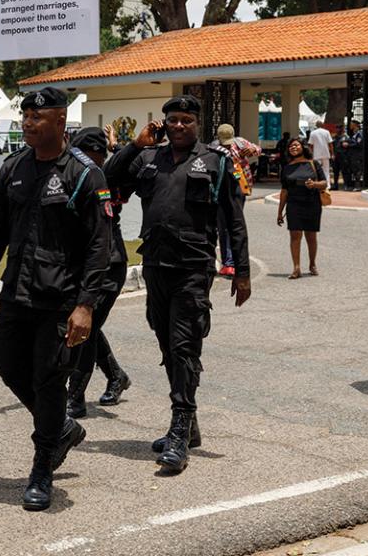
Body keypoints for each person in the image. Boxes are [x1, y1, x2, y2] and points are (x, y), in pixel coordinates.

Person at [0, 86, 112, 511]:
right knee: (3, 358)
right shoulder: (14, 168)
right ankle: (60, 427)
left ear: (60, 120)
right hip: (18, 293)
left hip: (60, 299)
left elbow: (100, 246)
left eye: (37, 116)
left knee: (49, 381)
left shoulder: (84, 174)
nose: (28, 122)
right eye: (25, 115)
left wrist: (86, 305)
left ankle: (42, 466)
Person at [104, 95, 251, 475]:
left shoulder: (217, 162)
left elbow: (234, 220)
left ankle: (179, 427)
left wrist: (243, 272)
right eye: (173, 120)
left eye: (187, 120)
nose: (180, 126)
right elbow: (108, 179)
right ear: (163, 124)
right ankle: (191, 425)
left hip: (193, 266)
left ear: (197, 124)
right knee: (167, 344)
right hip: (155, 264)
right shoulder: (148, 159)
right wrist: (135, 145)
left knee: (185, 344)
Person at [65, 125, 131, 419]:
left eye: (84, 153)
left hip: (110, 263)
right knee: (86, 326)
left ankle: (75, 397)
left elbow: (122, 161)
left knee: (86, 329)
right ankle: (116, 375)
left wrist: (118, 147)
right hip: (88, 264)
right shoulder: (83, 173)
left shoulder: (103, 174)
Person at [210, 124, 260, 278]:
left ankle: (234, 262)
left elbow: (258, 149)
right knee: (223, 226)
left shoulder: (240, 143)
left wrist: (253, 151)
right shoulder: (212, 147)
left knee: (235, 224)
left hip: (239, 188)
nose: (226, 144)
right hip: (220, 190)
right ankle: (228, 262)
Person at [276, 137, 327, 278]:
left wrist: (315, 185)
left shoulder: (313, 164)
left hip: (312, 203)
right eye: (291, 146)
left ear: (303, 147)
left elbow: (324, 183)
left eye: (296, 145)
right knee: (295, 235)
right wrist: (280, 212)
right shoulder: (287, 168)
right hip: (293, 204)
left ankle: (312, 264)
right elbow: (284, 191)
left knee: (311, 236)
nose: (293, 148)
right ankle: (296, 268)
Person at [308, 120, 333, 187]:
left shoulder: (313, 133)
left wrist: (310, 154)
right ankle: (327, 185)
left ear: (316, 125)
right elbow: (330, 144)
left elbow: (310, 145)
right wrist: (332, 153)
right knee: (326, 170)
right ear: (322, 125)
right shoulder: (326, 132)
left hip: (316, 154)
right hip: (326, 154)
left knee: (317, 170)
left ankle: (319, 184)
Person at [343, 120, 364, 191]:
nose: (350, 125)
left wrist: (348, 145)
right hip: (353, 156)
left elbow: (358, 144)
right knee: (353, 170)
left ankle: (358, 186)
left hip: (357, 156)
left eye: (351, 124)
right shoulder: (354, 134)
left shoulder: (359, 134)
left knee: (357, 170)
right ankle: (353, 185)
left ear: (355, 125)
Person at [331, 126, 346, 190]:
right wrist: (333, 154)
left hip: (343, 156)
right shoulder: (334, 137)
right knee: (335, 172)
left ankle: (346, 185)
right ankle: (335, 185)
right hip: (336, 156)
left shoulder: (345, 137)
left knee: (344, 171)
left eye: (338, 128)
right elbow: (332, 146)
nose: (337, 130)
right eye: (336, 128)